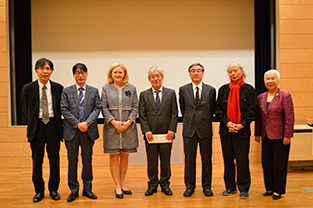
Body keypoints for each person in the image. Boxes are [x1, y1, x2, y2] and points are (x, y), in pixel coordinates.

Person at [21, 58, 63, 203]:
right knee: (37, 160)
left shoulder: (58, 88)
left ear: (51, 71)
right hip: (37, 127)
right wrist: (33, 120)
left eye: (48, 69)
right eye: (42, 68)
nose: (45, 71)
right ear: (36, 70)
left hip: (53, 127)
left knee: (54, 160)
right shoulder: (28, 88)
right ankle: (39, 191)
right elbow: (25, 108)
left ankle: (53, 189)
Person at [215, 61, 256, 199]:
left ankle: (244, 188)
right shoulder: (223, 90)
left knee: (242, 160)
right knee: (228, 160)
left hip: (242, 132)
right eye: (230, 71)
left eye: (235, 70)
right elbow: (218, 110)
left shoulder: (249, 90)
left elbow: (252, 110)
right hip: (226, 131)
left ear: (241, 72)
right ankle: (230, 187)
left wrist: (241, 124)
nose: (233, 73)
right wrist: (227, 123)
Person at [61, 63, 101, 202]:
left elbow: (97, 109)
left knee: (87, 161)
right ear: (73, 75)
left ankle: (87, 189)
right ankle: (73, 190)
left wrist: (87, 123)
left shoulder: (94, 91)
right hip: (72, 131)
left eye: (83, 72)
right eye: (77, 73)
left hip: (88, 131)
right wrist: (77, 124)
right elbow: (64, 109)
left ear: (87, 74)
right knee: (72, 161)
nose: (80, 75)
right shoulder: (66, 91)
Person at [255, 69, 294, 200]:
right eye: (268, 79)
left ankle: (278, 190)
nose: (270, 81)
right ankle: (269, 188)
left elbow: (289, 117)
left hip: (280, 137)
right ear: (264, 81)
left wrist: (288, 135)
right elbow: (258, 117)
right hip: (266, 136)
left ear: (278, 81)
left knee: (279, 164)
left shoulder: (285, 96)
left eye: (273, 78)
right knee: (267, 163)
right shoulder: (261, 97)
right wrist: (257, 133)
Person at [139, 66, 178, 196]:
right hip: (150, 135)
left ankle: (165, 184)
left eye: (158, 76)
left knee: (165, 160)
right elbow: (142, 115)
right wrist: (146, 130)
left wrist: (172, 129)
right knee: (152, 161)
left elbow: (174, 113)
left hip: (167, 134)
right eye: (153, 76)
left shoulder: (171, 93)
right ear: (149, 79)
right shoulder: (144, 95)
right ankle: (152, 185)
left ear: (162, 77)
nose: (155, 78)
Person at [101, 63, 138, 199]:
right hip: (112, 127)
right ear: (111, 74)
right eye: (115, 72)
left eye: (120, 72)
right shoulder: (106, 89)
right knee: (114, 156)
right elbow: (104, 108)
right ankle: (117, 185)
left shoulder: (132, 88)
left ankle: (123, 184)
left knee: (125, 155)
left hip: (128, 127)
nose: (117, 75)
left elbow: (135, 107)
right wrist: (114, 122)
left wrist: (128, 123)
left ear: (124, 74)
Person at [179, 63, 216, 197]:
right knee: (189, 160)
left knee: (207, 159)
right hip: (189, 130)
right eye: (193, 71)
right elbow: (183, 109)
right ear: (189, 74)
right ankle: (190, 186)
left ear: (203, 73)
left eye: (198, 71)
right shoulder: (183, 90)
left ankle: (207, 186)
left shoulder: (211, 90)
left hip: (205, 129)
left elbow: (211, 110)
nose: (196, 73)